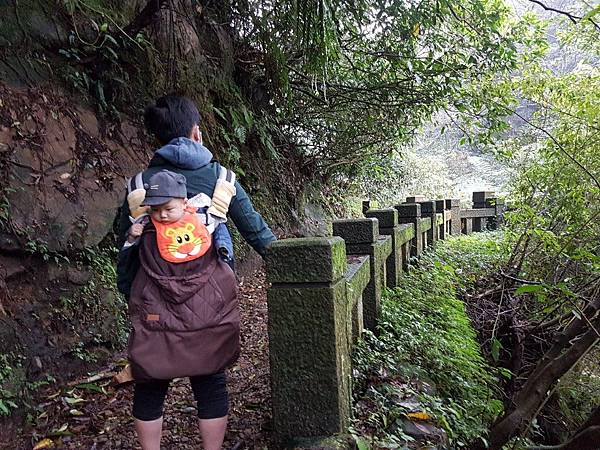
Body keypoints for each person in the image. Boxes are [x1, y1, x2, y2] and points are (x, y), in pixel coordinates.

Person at [117, 95, 276, 450]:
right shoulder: (222, 180)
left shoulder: (139, 187)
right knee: (210, 381)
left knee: (150, 383)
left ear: (157, 138)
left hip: (154, 303)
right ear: (196, 133)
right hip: (211, 303)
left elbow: (124, 245)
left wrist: (130, 294)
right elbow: (257, 233)